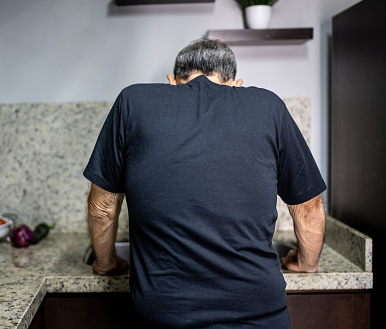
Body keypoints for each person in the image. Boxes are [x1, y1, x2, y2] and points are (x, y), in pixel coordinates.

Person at [83, 39, 326, 328]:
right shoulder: (268, 105)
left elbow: (102, 209)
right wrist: (306, 263)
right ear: (236, 84)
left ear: (173, 82)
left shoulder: (132, 101)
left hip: (164, 315)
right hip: (259, 314)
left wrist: (106, 264)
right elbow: (309, 208)